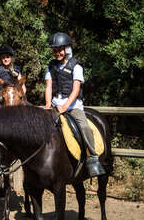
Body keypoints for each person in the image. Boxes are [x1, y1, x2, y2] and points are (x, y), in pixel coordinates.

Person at [44, 32, 105, 177]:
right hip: (55, 104)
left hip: (73, 106)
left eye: (60, 49)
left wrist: (65, 107)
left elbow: (76, 89)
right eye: (54, 50)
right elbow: (48, 87)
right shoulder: (51, 66)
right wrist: (47, 104)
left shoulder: (76, 66)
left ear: (67, 49)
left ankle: (92, 158)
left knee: (84, 126)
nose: (57, 53)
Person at [0, 45, 26, 111]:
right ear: (1, 59)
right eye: (3, 57)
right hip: (2, 97)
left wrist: (20, 96)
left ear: (11, 58)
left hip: (15, 97)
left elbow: (23, 87)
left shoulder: (16, 70)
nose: (5, 59)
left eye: (7, 57)